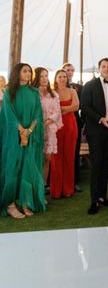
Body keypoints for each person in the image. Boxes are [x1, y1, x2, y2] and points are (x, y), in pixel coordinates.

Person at [0, 63, 45, 218]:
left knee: (28, 167)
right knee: (12, 167)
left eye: (29, 71)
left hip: (30, 136)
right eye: (24, 71)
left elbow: (38, 115)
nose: (28, 73)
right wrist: (21, 131)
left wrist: (29, 131)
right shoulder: (9, 92)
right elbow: (9, 115)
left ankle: (26, 202)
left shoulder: (34, 92)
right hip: (13, 138)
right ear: (17, 73)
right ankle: (10, 204)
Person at [81, 58, 108, 215]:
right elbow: (84, 106)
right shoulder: (90, 85)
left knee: (106, 164)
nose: (106, 69)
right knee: (97, 164)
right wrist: (100, 119)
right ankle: (94, 200)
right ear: (99, 68)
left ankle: (102, 197)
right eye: (103, 66)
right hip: (96, 130)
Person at [49, 69, 79, 199]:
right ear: (55, 79)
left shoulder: (72, 91)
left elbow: (77, 106)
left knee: (69, 156)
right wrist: (67, 109)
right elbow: (50, 110)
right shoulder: (52, 93)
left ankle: (67, 189)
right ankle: (56, 190)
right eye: (59, 76)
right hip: (55, 127)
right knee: (56, 157)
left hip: (71, 126)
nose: (62, 79)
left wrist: (61, 109)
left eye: (64, 76)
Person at [32, 67, 63, 188]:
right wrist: (38, 122)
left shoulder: (53, 94)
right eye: (42, 76)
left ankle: (42, 187)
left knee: (47, 158)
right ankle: (33, 187)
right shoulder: (33, 93)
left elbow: (57, 111)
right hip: (34, 128)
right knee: (35, 159)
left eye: (46, 75)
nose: (45, 79)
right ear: (36, 78)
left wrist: (48, 121)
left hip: (49, 129)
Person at [62, 62, 84, 192]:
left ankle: (74, 180)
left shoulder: (79, 87)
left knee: (74, 152)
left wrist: (82, 120)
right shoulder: (54, 88)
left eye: (71, 70)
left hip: (74, 122)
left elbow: (82, 105)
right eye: (67, 70)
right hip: (58, 123)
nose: (69, 72)